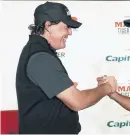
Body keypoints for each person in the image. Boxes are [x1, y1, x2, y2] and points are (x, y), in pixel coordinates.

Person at [15, 1, 117, 134]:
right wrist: (106, 88)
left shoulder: (39, 52)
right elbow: (77, 101)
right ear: (48, 25)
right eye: (66, 27)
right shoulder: (40, 58)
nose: (69, 32)